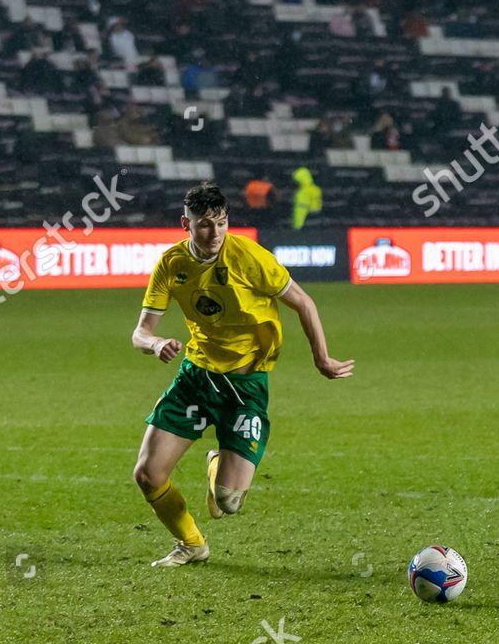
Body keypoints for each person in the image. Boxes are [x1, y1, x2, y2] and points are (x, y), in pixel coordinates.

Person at [130, 183, 353, 568]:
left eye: (220, 223)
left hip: (246, 386)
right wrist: (154, 344)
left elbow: (303, 302)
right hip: (196, 379)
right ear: (186, 224)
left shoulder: (249, 257)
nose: (214, 233)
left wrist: (321, 358)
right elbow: (141, 332)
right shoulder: (171, 265)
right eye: (204, 225)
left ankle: (218, 463)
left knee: (228, 502)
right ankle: (192, 544)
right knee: (148, 474)